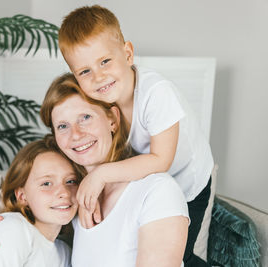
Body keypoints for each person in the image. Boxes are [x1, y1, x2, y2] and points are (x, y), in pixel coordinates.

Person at [0, 73, 189, 267]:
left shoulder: (157, 191)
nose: (76, 135)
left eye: (86, 117)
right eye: (63, 126)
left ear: (112, 119)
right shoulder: (75, 208)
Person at [58, 5, 214, 266]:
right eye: (85, 71)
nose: (98, 77)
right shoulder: (100, 100)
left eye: (105, 61)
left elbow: (160, 160)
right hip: (146, 181)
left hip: (188, 182)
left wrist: (100, 176)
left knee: (179, 254)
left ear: (128, 53)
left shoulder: (156, 93)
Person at [0, 136, 79, 267]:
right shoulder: (13, 229)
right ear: (22, 196)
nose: (65, 192)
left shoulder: (63, 253)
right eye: (47, 183)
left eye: (70, 181)